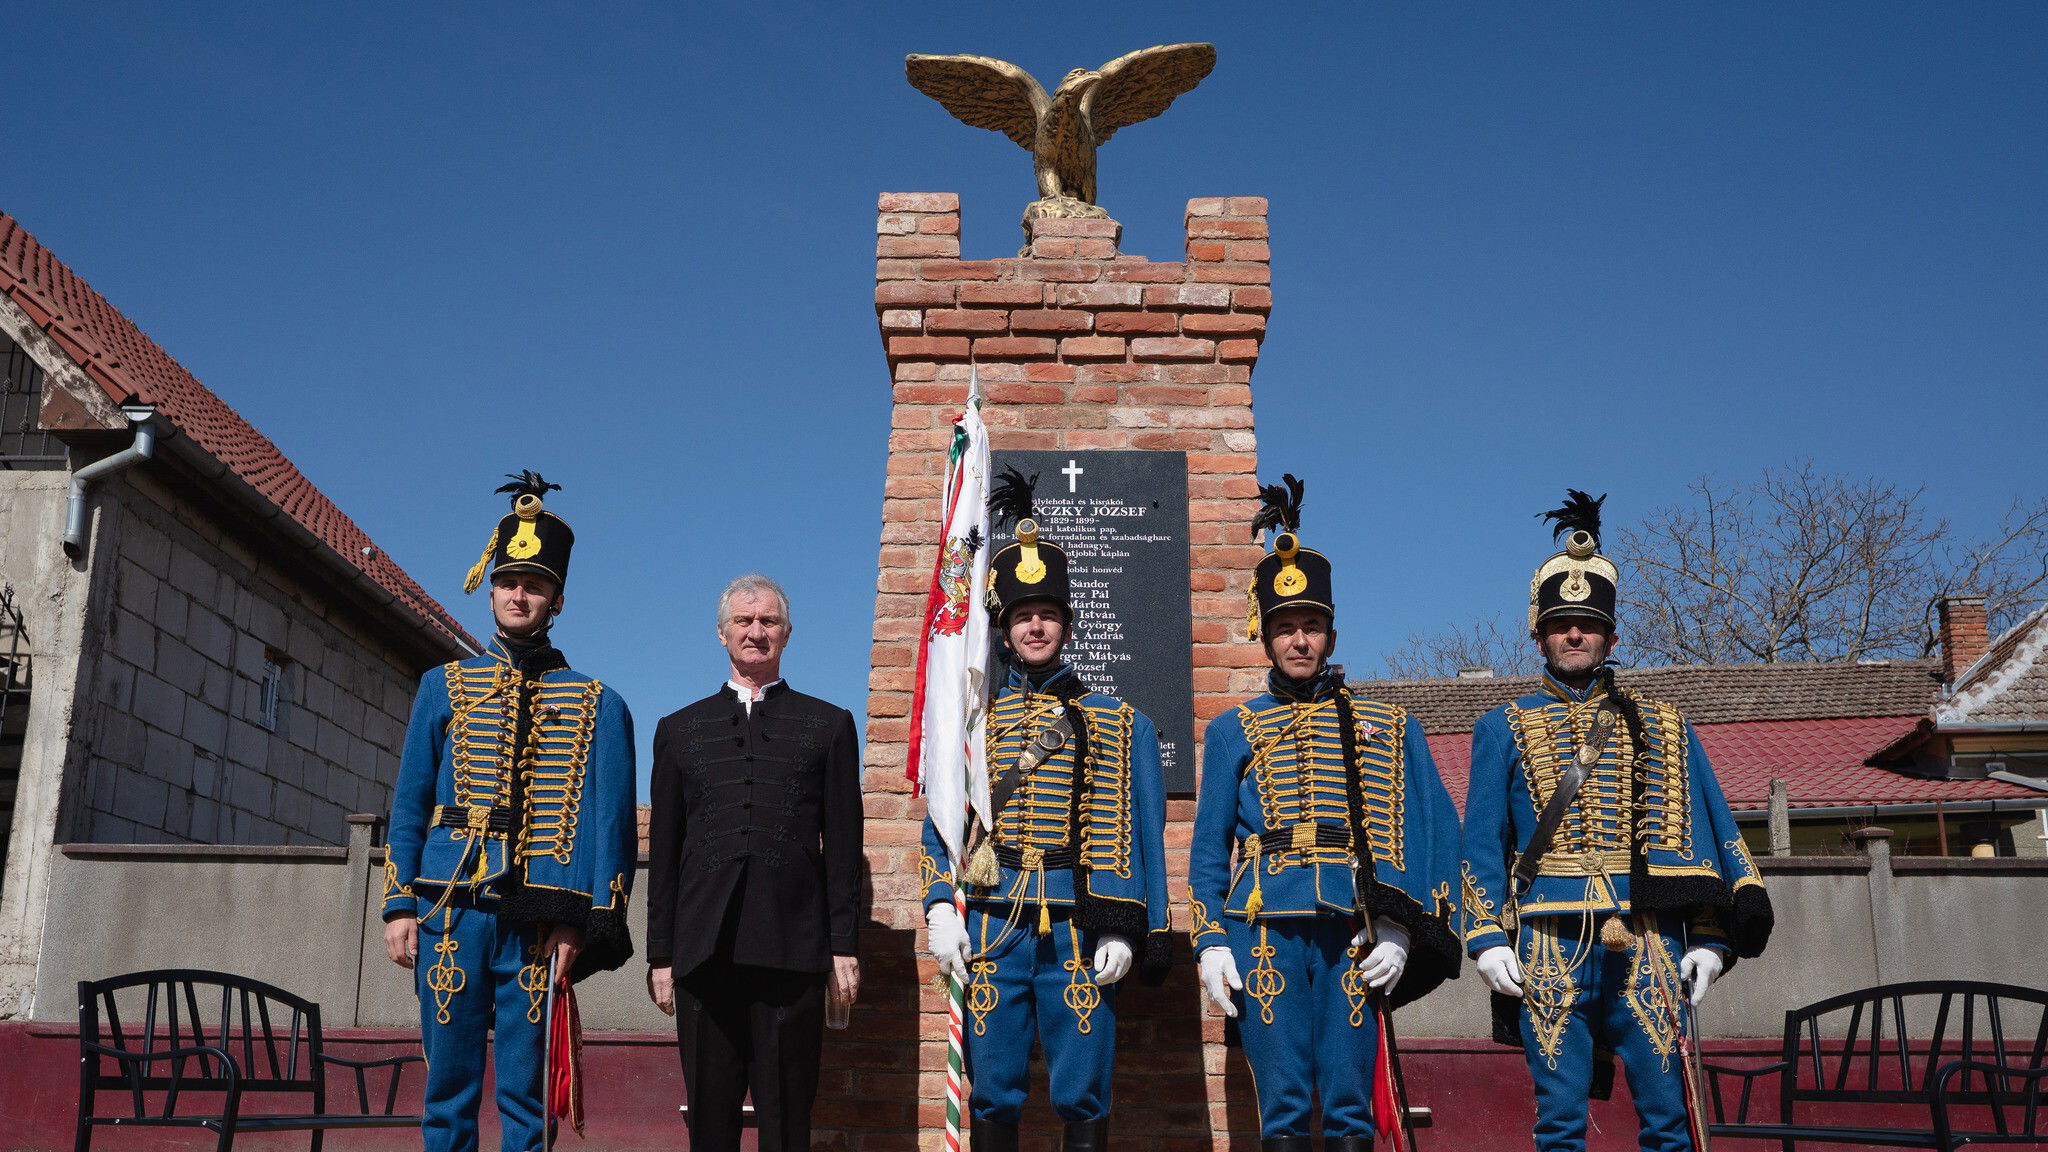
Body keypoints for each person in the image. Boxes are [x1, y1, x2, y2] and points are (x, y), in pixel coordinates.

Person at [1459, 490, 1773, 1152]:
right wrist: (1485, 936)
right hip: (1547, 943)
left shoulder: (1664, 724)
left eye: (1588, 623)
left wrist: (1712, 942)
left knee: (1668, 1121)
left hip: (1652, 940)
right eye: (1561, 622)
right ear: (1537, 631)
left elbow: (1708, 837)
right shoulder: (1502, 727)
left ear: (1611, 634)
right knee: (1560, 1125)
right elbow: (1482, 841)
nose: (1574, 633)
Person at [1188, 474, 1462, 1152]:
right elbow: (1206, 852)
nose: (1299, 641)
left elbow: (1435, 830)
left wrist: (1405, 929)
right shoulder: (1231, 731)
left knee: (1346, 1108)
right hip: (1263, 931)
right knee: (1280, 1108)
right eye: (1285, 628)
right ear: (1266, 636)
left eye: (1311, 626)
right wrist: (1211, 941)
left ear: (1331, 634)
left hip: (1354, 931)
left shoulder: (1385, 725)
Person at [382, 471, 638, 1152]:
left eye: (534, 585)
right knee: (447, 1092)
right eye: (507, 582)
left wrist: (581, 925)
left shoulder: (598, 703)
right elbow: (409, 802)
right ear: (490, 588)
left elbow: (608, 827)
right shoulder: (442, 687)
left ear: (557, 600)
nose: (518, 594)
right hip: (449, 911)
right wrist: (399, 905)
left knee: (527, 1099)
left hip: (537, 923)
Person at [919, 467, 1172, 1152]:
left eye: (1048, 615)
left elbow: (1143, 831)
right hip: (996, 927)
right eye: (1022, 616)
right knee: (993, 1088)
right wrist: (941, 904)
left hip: (1079, 933)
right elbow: (942, 821)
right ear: (1001, 631)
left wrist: (1129, 925)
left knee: (1082, 1090)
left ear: (1065, 623)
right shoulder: (974, 723)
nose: (1035, 626)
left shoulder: (1122, 725)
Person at [644, 573, 863, 1152]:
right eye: (744, 621)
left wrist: (844, 946)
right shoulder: (679, 729)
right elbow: (664, 853)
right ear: (722, 634)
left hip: (792, 953)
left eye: (768, 621)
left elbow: (842, 847)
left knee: (787, 1123)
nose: (756, 631)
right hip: (703, 954)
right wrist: (661, 955)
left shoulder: (830, 725)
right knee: (710, 1125)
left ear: (787, 633)